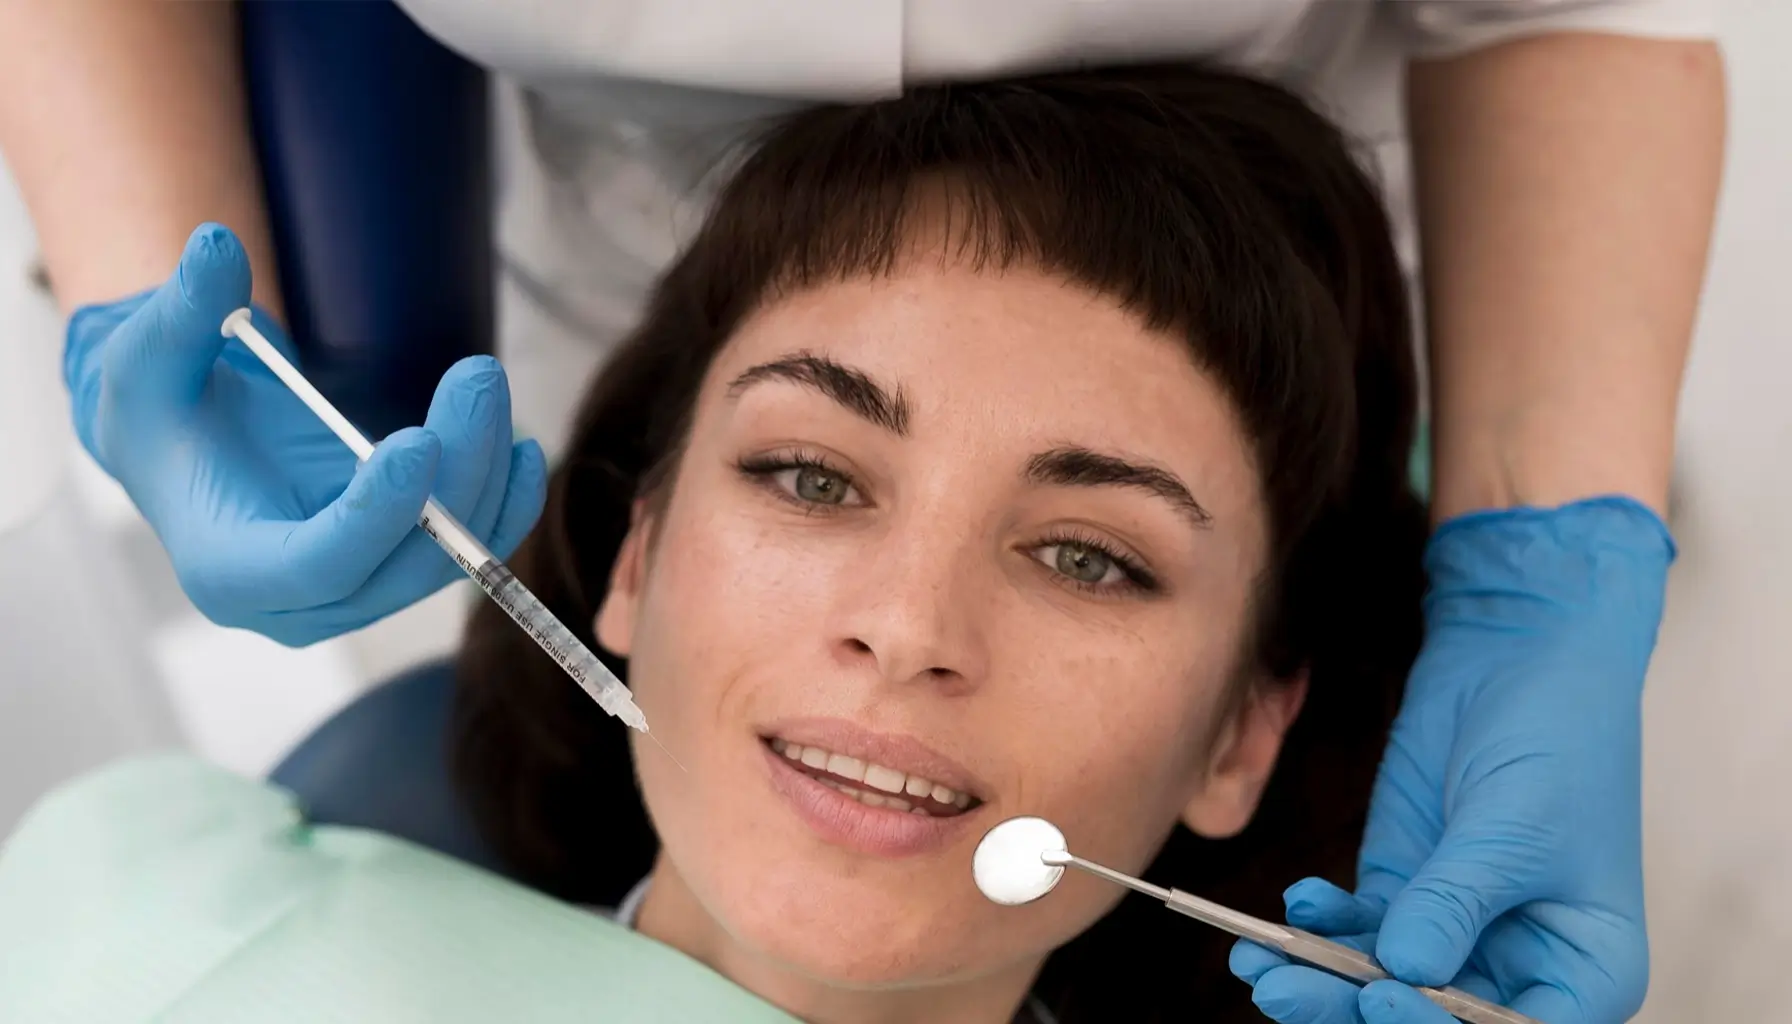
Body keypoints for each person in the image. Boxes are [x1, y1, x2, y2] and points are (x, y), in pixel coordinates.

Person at [0, 4, 1725, 1022]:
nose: (906, 627)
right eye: (809, 476)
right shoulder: (177, 928)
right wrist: (156, 286)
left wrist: (1543, 570)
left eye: (1088, 555)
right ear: (631, 554)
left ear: (1245, 735)